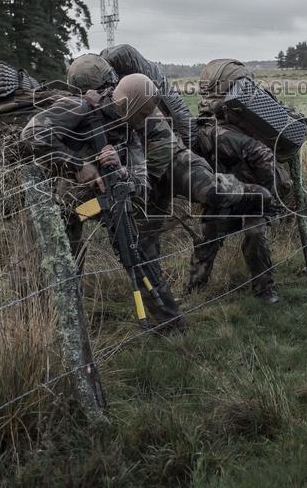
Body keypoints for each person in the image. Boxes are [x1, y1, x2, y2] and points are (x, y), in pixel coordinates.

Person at [65, 52, 272, 266]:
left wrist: (135, 184)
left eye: (103, 88)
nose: (101, 94)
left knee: (213, 191)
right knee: (139, 247)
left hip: (171, 162)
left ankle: (257, 194)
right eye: (90, 92)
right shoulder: (79, 112)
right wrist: (82, 166)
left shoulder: (133, 100)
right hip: (137, 176)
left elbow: (161, 143)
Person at [20, 73, 185, 331]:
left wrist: (120, 169)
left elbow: (142, 184)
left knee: (136, 253)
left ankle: (170, 325)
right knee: (60, 264)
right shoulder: (80, 107)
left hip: (106, 203)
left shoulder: (129, 130)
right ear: (127, 105)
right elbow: (32, 132)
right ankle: (50, 328)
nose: (145, 121)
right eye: (142, 114)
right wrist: (78, 164)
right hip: (63, 204)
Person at [189, 109, 288, 304]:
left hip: (258, 190)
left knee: (255, 234)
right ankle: (195, 291)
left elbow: (263, 154)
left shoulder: (220, 138)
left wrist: (267, 196)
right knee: (208, 233)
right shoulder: (195, 147)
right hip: (231, 191)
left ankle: (265, 290)